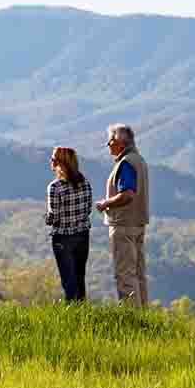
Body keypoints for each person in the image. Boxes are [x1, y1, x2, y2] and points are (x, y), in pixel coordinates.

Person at [94, 123, 150, 307]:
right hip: (137, 223)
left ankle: (132, 319)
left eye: (110, 140)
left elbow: (127, 194)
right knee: (138, 273)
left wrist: (105, 204)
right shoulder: (139, 160)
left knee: (125, 274)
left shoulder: (126, 163)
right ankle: (143, 316)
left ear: (119, 142)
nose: (107, 145)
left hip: (123, 224)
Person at [44, 146, 93, 303]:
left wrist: (47, 218)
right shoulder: (85, 182)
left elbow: (54, 217)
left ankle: (72, 312)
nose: (50, 161)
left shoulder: (55, 187)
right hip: (82, 235)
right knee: (80, 277)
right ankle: (81, 309)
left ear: (59, 163)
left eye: (52, 158)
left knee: (68, 278)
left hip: (63, 238)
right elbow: (88, 209)